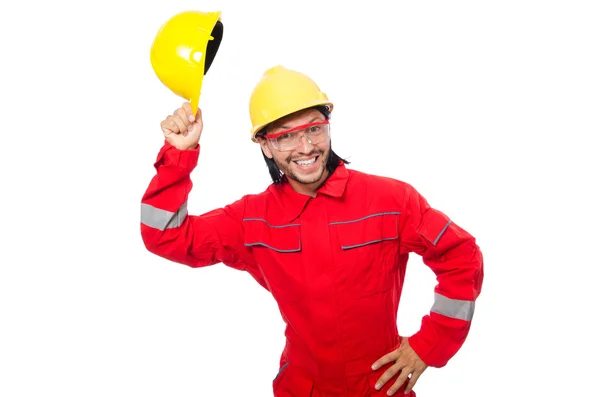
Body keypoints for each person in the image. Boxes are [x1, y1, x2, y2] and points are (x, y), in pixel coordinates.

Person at [140, 65, 484, 397]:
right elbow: (166, 236)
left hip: (383, 388)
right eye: (285, 136)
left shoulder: (391, 200)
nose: (305, 147)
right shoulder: (251, 219)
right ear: (264, 144)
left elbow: (461, 255)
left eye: (314, 128)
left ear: (329, 126)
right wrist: (177, 155)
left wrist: (430, 344)